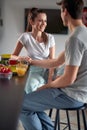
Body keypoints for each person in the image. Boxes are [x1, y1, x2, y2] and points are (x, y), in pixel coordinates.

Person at [19, 0, 87, 130]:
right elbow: (55, 62)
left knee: (21, 105)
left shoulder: (75, 39)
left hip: (71, 95)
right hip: (82, 94)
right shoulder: (83, 33)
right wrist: (31, 61)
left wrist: (47, 86)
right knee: (32, 102)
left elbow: (69, 79)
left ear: (65, 11)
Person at [11, 8, 55, 94]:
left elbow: (52, 61)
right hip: (33, 71)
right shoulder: (25, 37)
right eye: (40, 21)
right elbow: (12, 56)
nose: (44, 24)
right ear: (31, 22)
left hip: (47, 71)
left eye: (45, 21)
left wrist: (50, 79)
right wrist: (20, 58)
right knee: (30, 86)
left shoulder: (50, 38)